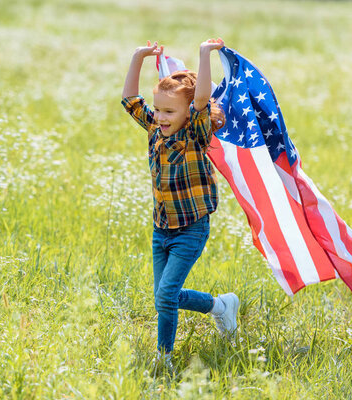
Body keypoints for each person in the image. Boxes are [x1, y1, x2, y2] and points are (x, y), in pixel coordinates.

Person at [121, 39, 239, 375]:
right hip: (161, 229)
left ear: (188, 113)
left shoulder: (194, 134)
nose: (160, 117)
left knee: (166, 295)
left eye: (169, 111)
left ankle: (165, 358)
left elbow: (201, 100)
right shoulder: (156, 128)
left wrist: (204, 55)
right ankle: (220, 306)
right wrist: (137, 57)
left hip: (191, 227)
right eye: (158, 109)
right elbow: (130, 100)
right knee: (164, 297)